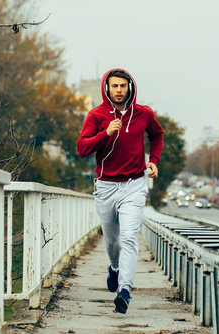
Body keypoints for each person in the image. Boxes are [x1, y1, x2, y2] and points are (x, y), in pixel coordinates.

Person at [77, 68, 163, 314]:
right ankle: (114, 268)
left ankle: (124, 291)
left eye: (122, 86)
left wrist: (154, 160)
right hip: (105, 186)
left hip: (134, 185)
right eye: (114, 86)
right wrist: (105, 134)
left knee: (128, 238)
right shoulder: (96, 115)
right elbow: (82, 148)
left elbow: (157, 136)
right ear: (107, 88)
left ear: (130, 87)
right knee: (112, 241)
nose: (118, 90)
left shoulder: (144, 113)